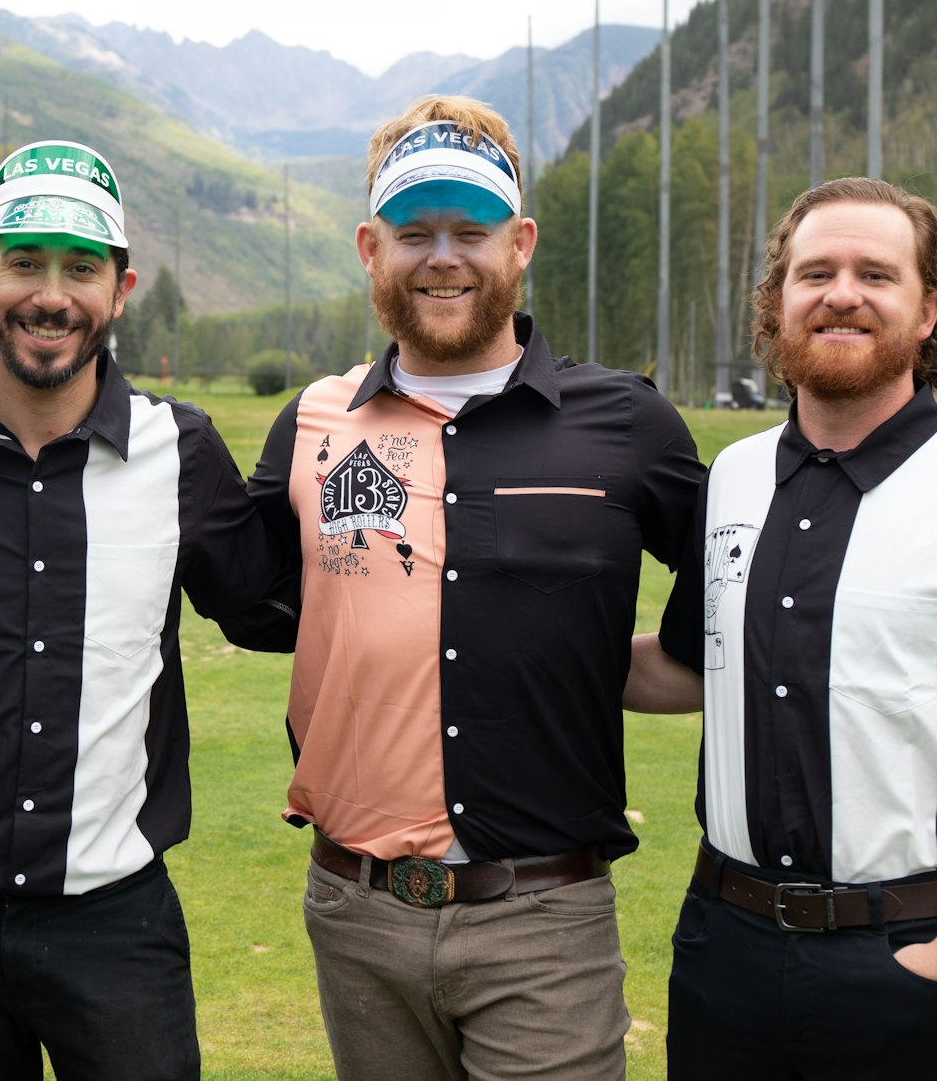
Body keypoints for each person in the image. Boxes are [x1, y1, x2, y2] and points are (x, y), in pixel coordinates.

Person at [238, 96, 705, 1081]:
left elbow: (732, 587)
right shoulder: (313, 423)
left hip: (543, 918)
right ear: (370, 247)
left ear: (519, 241)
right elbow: (249, 594)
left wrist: (589, 664)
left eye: (470, 230)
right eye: (413, 232)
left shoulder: (625, 423)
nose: (441, 255)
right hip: (355, 908)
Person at [628, 177, 937, 1080]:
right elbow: (692, 666)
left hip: (907, 958)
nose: (842, 294)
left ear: (929, 308)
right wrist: (507, 645)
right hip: (725, 950)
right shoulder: (732, 480)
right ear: (778, 303)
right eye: (814, 272)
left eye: (876, 273)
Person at [0, 139, 290, 1081]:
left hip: (114, 920)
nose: (51, 294)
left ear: (122, 288)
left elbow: (277, 609)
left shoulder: (178, 451)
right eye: (23, 262)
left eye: (81, 267)